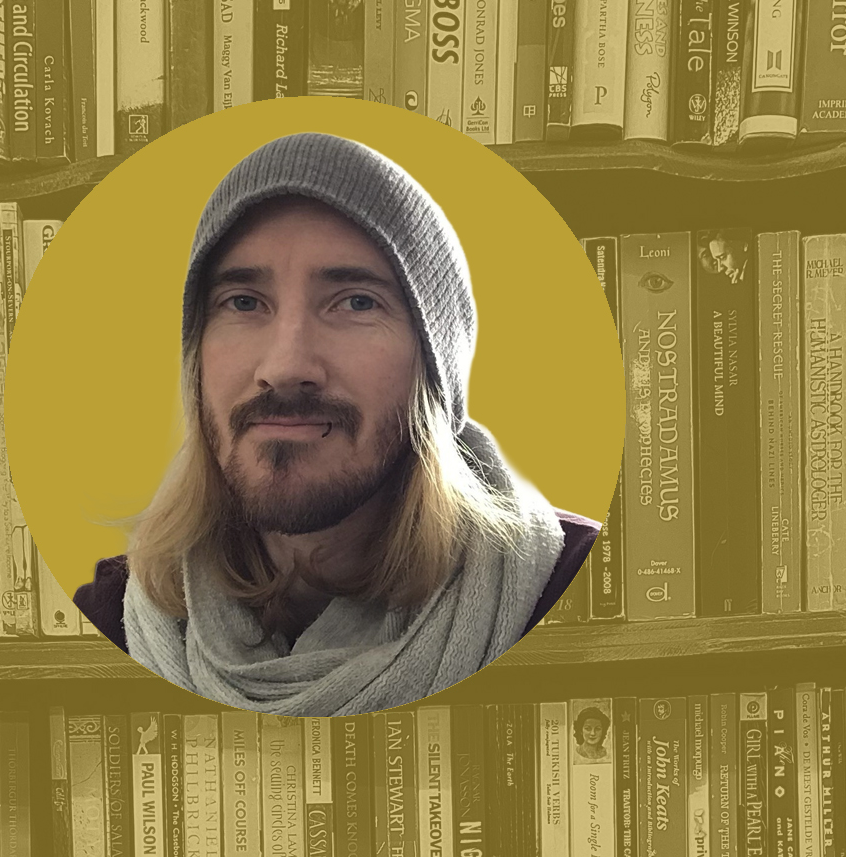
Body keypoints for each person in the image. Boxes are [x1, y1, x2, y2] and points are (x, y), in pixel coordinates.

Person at [73, 132, 599, 716]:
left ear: (432, 367)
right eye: (243, 302)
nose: (285, 367)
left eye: (356, 302)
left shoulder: (579, 590)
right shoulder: (108, 620)